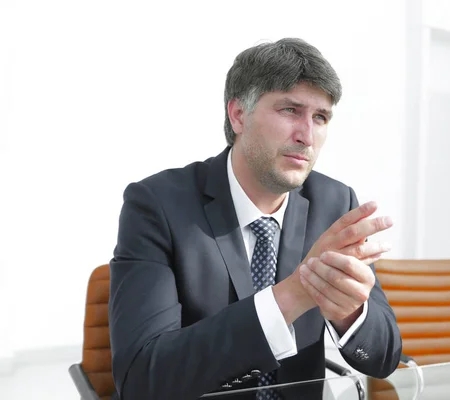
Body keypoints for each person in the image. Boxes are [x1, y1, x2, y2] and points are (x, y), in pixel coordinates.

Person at [109, 37, 402, 400]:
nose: (306, 136)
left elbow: (385, 358)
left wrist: (351, 313)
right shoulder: (157, 205)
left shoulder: (336, 204)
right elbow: (141, 382)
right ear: (238, 115)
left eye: (320, 117)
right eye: (290, 111)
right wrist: (294, 294)